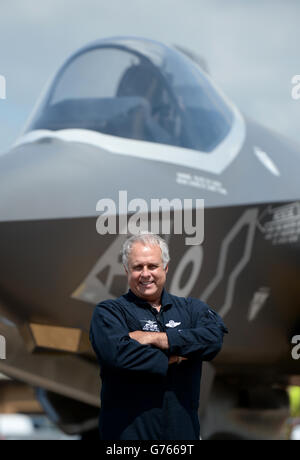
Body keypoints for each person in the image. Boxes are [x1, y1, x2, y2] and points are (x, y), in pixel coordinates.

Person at [89, 232, 228, 440]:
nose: (146, 274)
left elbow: (212, 340)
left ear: (166, 267)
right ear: (127, 270)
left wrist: (155, 338)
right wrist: (178, 355)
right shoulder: (109, 312)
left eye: (152, 266)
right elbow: (118, 355)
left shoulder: (191, 309)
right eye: (138, 267)